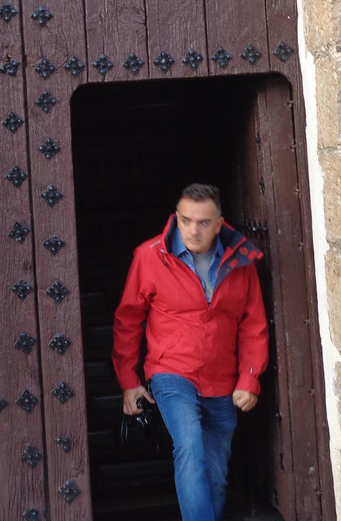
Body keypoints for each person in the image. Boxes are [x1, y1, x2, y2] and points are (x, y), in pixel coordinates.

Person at [112, 183, 269, 521]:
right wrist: (129, 380)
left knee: (215, 472)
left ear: (219, 223)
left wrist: (250, 377)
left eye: (202, 222)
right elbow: (127, 320)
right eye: (185, 221)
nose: (193, 230)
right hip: (171, 373)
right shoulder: (150, 256)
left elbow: (253, 324)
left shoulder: (241, 261)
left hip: (222, 380)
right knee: (189, 447)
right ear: (176, 218)